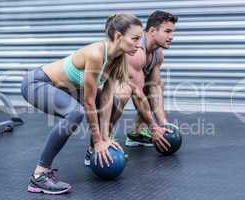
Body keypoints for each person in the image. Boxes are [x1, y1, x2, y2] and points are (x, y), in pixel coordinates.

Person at [21, 13, 143, 195]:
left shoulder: (119, 58)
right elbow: (88, 102)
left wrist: (105, 137)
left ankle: (94, 150)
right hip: (38, 83)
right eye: (135, 38)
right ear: (118, 36)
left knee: (116, 101)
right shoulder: (96, 54)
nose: (139, 44)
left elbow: (106, 99)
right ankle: (39, 175)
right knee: (76, 113)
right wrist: (97, 139)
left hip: (67, 88)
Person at [109, 10, 178, 147]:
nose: (171, 37)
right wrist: (154, 128)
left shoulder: (158, 53)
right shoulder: (137, 52)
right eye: (167, 31)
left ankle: (136, 133)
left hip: (133, 84)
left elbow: (155, 86)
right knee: (124, 92)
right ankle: (102, 137)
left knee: (158, 85)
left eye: (172, 32)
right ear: (152, 31)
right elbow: (138, 96)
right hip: (101, 87)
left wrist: (163, 122)